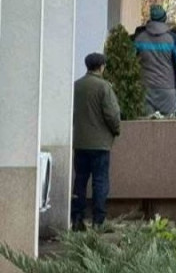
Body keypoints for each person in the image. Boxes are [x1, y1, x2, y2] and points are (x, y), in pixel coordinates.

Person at [71, 53, 121, 231]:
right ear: (101, 66)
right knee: (100, 182)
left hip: (80, 141)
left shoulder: (76, 85)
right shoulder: (104, 87)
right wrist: (116, 129)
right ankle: (98, 221)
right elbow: (112, 114)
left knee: (80, 181)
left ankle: (77, 218)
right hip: (100, 143)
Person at [133, 4, 176, 116]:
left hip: (145, 90)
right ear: (164, 19)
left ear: (151, 18)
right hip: (167, 91)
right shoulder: (172, 39)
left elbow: (130, 62)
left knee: (145, 127)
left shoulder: (139, 38)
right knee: (167, 129)